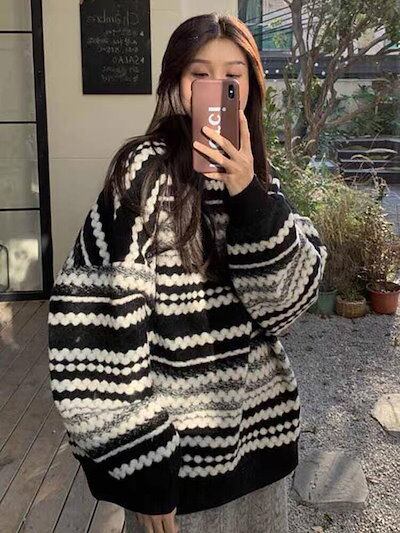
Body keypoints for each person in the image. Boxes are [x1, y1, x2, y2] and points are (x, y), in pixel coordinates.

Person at [47, 11, 327, 533]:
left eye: (232, 76)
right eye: (200, 73)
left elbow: (286, 306)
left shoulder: (258, 177)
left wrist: (248, 194)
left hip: (260, 447)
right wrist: (144, 467)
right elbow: (97, 327)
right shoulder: (143, 173)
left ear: (249, 88)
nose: (215, 87)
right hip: (177, 470)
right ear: (177, 84)